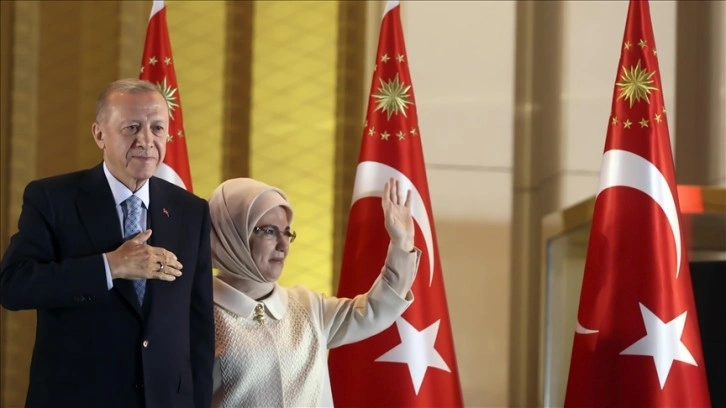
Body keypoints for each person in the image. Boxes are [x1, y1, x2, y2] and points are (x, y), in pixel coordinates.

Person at [0, 79, 214, 408]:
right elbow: (14, 286)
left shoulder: (191, 210)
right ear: (100, 134)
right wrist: (110, 266)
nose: (147, 140)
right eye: (132, 127)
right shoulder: (53, 199)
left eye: (157, 128)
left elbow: (198, 325)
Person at [208, 177, 420, 407]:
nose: (283, 245)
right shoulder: (197, 313)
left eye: (287, 233)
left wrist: (403, 244)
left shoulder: (308, 306)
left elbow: (376, 309)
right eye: (269, 231)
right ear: (231, 233)